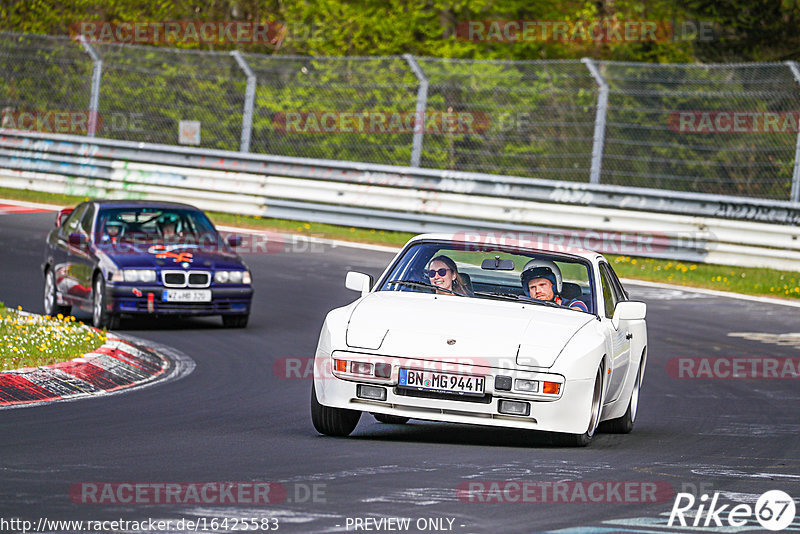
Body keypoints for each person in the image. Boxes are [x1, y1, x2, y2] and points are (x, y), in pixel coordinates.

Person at [520, 259, 589, 312]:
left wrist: (557, 308)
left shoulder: (573, 304)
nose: (537, 291)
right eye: (532, 287)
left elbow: (579, 312)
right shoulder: (521, 306)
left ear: (554, 286)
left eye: (542, 285)